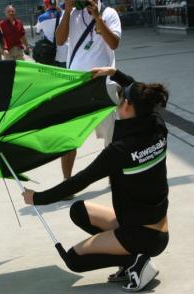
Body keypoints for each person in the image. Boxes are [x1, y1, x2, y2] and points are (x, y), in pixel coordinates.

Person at [23, 66, 170, 292]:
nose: (118, 103)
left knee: (73, 259)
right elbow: (139, 90)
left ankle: (136, 261)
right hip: (154, 227)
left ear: (129, 107)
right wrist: (113, 73)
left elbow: (79, 181)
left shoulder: (121, 150)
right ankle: (130, 260)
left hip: (142, 235)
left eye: (121, 99)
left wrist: (38, 198)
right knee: (79, 211)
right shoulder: (156, 124)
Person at [56, 0, 121, 180]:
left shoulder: (109, 13)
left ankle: (114, 177)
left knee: (112, 135)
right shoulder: (72, 13)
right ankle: (67, 182)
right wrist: (67, 11)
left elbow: (114, 43)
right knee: (69, 137)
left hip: (103, 84)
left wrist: (98, 18)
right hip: (77, 85)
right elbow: (60, 40)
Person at [35, 0, 69, 67]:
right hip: (65, 52)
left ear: (46, 5)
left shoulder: (41, 17)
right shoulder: (64, 14)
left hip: (50, 53)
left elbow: (37, 32)